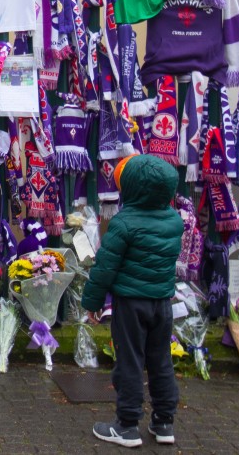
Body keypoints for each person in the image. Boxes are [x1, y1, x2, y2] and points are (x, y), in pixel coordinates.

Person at [82, 154, 183, 448]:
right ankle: (164, 422)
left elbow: (105, 267)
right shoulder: (174, 222)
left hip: (131, 304)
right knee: (161, 360)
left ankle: (127, 425)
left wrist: (93, 301)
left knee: (130, 362)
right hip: (161, 303)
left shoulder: (123, 223)